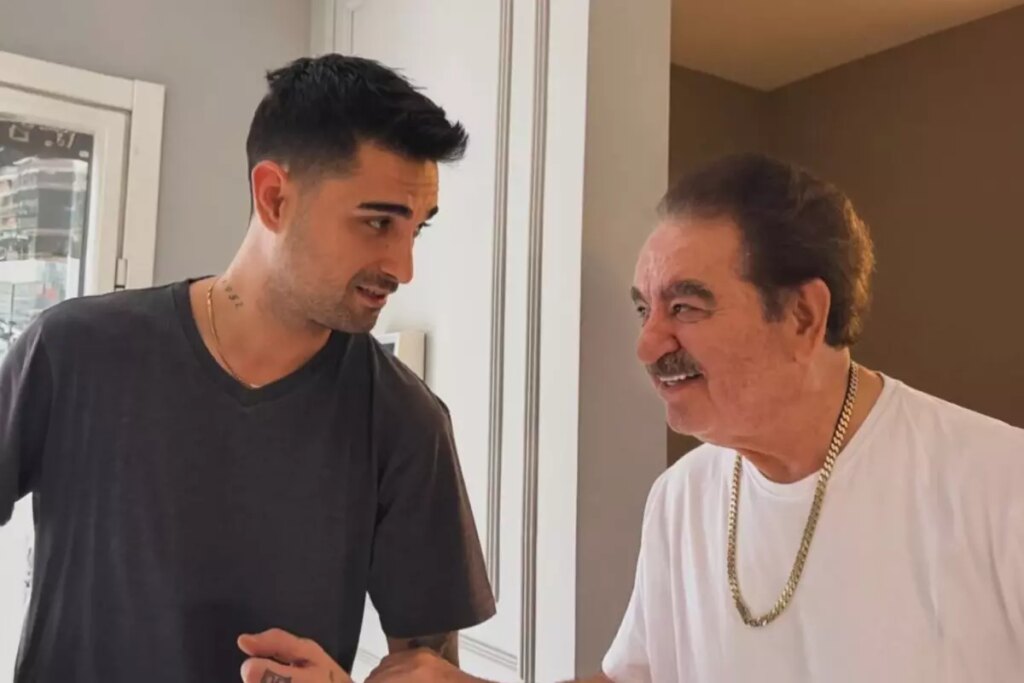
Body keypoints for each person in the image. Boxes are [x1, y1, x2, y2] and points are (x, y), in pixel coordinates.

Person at [364, 153, 1024, 683]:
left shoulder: (999, 484)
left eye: (685, 307)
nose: (648, 345)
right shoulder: (680, 497)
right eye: (644, 309)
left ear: (803, 316)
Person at [0, 54, 496, 682]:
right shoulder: (73, 351)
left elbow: (426, 669)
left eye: (416, 230)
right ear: (274, 198)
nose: (403, 267)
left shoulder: (407, 421)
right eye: (377, 223)